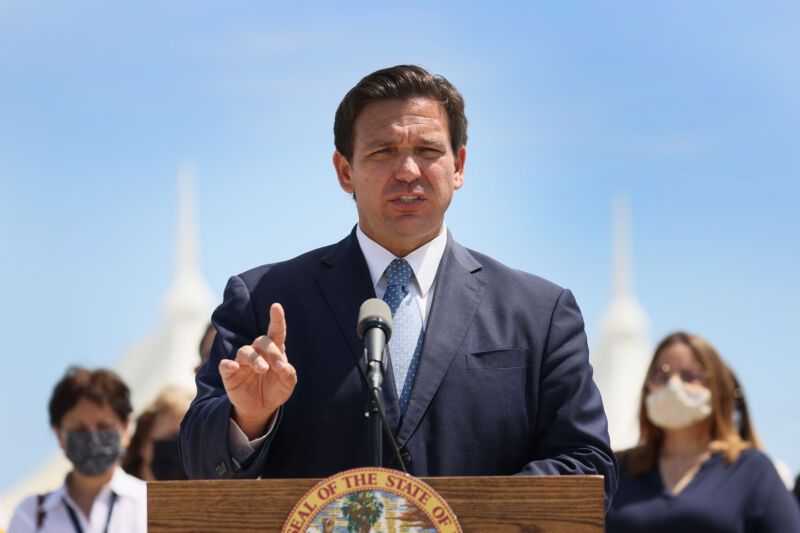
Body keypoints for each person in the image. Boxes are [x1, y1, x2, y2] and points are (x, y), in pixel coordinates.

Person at [179, 65, 617, 506]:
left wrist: (460, 516)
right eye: (382, 151)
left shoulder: (539, 313)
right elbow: (199, 465)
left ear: (458, 165)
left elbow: (587, 465)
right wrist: (248, 420)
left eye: (428, 150)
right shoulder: (264, 300)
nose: (408, 171)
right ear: (345, 171)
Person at [606, 332, 800, 532]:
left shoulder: (751, 469)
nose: (673, 385)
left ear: (717, 389)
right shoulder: (619, 469)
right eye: (661, 376)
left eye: (689, 376)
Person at [8, 367, 146, 533]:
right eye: (79, 428)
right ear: (59, 435)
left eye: (104, 427)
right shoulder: (31, 514)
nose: (92, 436)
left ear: (125, 430)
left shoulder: (150, 503)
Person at [122, 386, 194, 481]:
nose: (184, 446)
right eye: (173, 436)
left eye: (192, 438)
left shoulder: (209, 492)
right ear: (142, 442)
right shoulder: (112, 492)